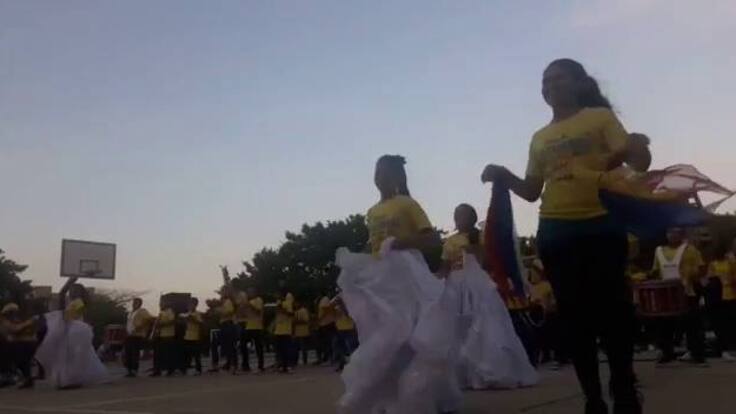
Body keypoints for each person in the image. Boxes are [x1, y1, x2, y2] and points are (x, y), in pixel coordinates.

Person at [481, 59, 641, 414]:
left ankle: (624, 388)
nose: (550, 86)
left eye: (558, 79)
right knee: (574, 318)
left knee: (614, 313)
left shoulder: (599, 118)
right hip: (556, 231)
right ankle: (592, 399)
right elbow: (531, 191)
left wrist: (637, 147)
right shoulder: (539, 138)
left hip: (602, 224)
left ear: (580, 83)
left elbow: (636, 160)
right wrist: (503, 175)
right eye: (545, 81)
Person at [336, 154, 460, 413]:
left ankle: (422, 393)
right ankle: (389, 394)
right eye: (376, 172)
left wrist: (400, 243)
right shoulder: (372, 211)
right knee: (382, 335)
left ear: (396, 177)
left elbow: (431, 239)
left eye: (385, 172)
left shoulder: (407, 204)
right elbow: (373, 245)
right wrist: (357, 267)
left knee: (409, 332)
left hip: (406, 276)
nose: (379, 177)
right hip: (379, 280)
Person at [440, 203, 538, 389]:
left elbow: (488, 261)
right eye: (456, 215)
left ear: (472, 217)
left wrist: (475, 249)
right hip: (457, 286)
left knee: (486, 323)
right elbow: (445, 266)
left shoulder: (482, 236)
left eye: (462, 215)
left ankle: (490, 368)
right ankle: (464, 372)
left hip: (479, 285)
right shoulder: (450, 241)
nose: (458, 219)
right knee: (459, 327)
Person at [34, 277, 108, 389]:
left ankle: (71, 379)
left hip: (74, 330)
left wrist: (68, 283)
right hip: (71, 329)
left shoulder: (79, 302)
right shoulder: (74, 302)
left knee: (71, 356)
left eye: (73, 290)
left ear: (78, 292)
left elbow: (67, 315)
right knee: (67, 355)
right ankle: (66, 379)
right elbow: (63, 302)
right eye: (71, 290)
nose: (71, 292)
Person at [651, 227, 707, 365]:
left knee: (692, 324)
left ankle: (696, 354)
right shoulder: (659, 251)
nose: (672, 235)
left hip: (687, 292)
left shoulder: (690, 250)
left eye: (675, 233)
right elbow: (656, 271)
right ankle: (666, 353)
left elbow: (701, 268)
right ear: (666, 235)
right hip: (666, 294)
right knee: (665, 325)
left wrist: (694, 278)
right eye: (670, 233)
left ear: (681, 235)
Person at [529, 259, 567, 369]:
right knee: (541, 336)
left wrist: (547, 304)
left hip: (549, 313)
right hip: (537, 314)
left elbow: (552, 300)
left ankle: (559, 356)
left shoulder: (548, 285)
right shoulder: (533, 287)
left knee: (555, 335)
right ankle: (546, 354)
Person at [705, 243, 736, 361]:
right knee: (720, 324)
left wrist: (728, 280)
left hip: (730, 295)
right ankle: (722, 348)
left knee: (729, 323)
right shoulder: (713, 264)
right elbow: (709, 278)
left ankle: (729, 347)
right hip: (717, 297)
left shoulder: (730, 262)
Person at [1, 303, 37, 389]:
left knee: (24, 361)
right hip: (8, 345)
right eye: (13, 312)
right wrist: (28, 323)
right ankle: (22, 378)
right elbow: (14, 329)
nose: (15, 314)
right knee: (20, 361)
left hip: (22, 343)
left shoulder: (15, 320)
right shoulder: (4, 321)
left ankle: (27, 379)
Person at [124, 298, 152, 378]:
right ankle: (129, 369)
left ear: (140, 304)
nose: (134, 304)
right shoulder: (131, 312)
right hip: (129, 334)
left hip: (137, 335)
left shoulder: (142, 311)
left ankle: (134, 370)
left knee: (134, 352)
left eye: (136, 303)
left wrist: (140, 327)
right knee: (128, 352)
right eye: (134, 302)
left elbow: (149, 319)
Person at [242, 287, 265, 373]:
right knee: (243, 344)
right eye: (248, 292)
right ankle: (245, 365)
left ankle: (260, 366)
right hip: (249, 326)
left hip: (257, 326)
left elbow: (258, 310)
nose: (249, 294)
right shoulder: (249, 301)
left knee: (259, 347)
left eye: (251, 292)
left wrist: (249, 305)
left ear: (255, 292)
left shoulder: (258, 300)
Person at [274, 283, 295, 374]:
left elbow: (291, 313)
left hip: (286, 329)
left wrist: (282, 309)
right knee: (279, 349)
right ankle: (281, 366)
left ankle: (288, 366)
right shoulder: (278, 302)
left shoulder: (287, 302)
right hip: (278, 329)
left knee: (287, 349)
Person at [154, 298, 177, 376]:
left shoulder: (170, 311)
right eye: (160, 303)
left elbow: (172, 321)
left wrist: (162, 324)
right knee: (159, 353)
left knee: (168, 354)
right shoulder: (161, 312)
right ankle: (158, 370)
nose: (160, 305)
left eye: (162, 303)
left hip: (168, 335)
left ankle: (170, 370)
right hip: (160, 335)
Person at [332, 299, 357, 373]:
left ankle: (355, 365)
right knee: (339, 347)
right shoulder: (336, 307)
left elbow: (348, 314)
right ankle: (342, 364)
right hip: (339, 329)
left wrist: (342, 305)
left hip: (349, 329)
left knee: (351, 348)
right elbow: (335, 317)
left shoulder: (349, 305)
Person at [182, 298, 204, 375]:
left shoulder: (197, 313)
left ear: (195, 305)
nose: (190, 306)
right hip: (187, 336)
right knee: (186, 353)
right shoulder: (187, 313)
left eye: (191, 304)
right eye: (189, 304)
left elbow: (200, 322)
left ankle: (198, 369)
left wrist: (193, 319)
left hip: (195, 336)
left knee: (196, 354)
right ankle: (185, 368)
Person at [315, 292, 336, 365]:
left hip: (327, 323)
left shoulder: (324, 299)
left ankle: (330, 358)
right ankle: (327, 358)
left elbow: (326, 310)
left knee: (328, 342)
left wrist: (320, 319)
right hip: (324, 323)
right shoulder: (321, 300)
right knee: (324, 342)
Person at [293, 301, 311, 366]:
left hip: (303, 332)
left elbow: (306, 320)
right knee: (295, 348)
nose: (295, 305)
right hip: (296, 332)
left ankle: (305, 361)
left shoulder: (303, 311)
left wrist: (296, 322)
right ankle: (295, 361)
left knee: (303, 348)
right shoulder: (295, 312)